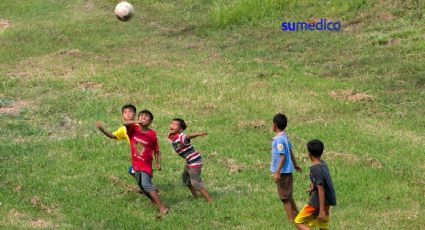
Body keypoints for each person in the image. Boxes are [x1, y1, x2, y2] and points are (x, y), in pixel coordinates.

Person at [125, 110, 168, 216]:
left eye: (147, 116)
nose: (144, 117)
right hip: (136, 164)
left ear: (151, 121)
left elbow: (157, 150)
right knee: (141, 186)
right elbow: (124, 123)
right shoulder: (133, 129)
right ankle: (153, 200)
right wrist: (136, 122)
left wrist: (158, 163)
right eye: (141, 115)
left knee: (146, 184)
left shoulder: (152, 134)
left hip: (146, 165)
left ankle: (162, 208)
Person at [294, 139, 337, 230]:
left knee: (298, 221)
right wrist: (313, 185)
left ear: (309, 154)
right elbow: (322, 181)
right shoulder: (323, 164)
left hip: (316, 204)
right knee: (322, 225)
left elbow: (321, 189)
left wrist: (321, 210)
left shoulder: (315, 169)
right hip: (327, 202)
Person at [168, 118, 212, 202]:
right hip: (189, 161)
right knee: (186, 179)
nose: (172, 125)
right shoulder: (173, 136)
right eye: (171, 123)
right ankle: (195, 198)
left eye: (175, 124)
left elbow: (188, 136)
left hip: (194, 161)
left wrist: (198, 134)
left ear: (180, 129)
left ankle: (210, 200)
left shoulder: (181, 137)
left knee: (195, 183)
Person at [270, 113, 302, 222]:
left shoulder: (279, 140)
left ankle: (290, 219)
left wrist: (277, 171)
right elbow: (290, 150)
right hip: (287, 170)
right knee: (288, 195)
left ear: (275, 125)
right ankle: (297, 214)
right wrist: (295, 163)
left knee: (284, 197)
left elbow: (283, 155)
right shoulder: (284, 136)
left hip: (283, 172)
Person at [95, 104, 137, 177]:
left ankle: (147, 185)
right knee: (132, 171)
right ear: (122, 116)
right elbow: (112, 136)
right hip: (136, 155)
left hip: (144, 153)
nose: (128, 114)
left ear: (135, 114)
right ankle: (145, 184)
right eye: (125, 112)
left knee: (139, 171)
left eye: (130, 112)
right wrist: (102, 129)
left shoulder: (139, 125)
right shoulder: (123, 129)